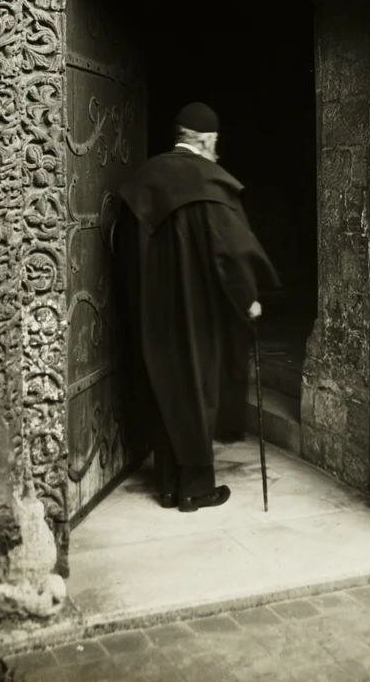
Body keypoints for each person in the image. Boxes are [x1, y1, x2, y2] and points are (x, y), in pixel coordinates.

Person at [114, 102, 280, 512]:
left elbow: (123, 251)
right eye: (216, 145)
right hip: (199, 312)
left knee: (167, 389)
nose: (217, 154)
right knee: (198, 391)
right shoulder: (209, 182)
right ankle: (196, 489)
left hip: (154, 313)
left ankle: (168, 485)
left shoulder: (144, 179)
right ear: (205, 141)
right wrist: (248, 300)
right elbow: (231, 253)